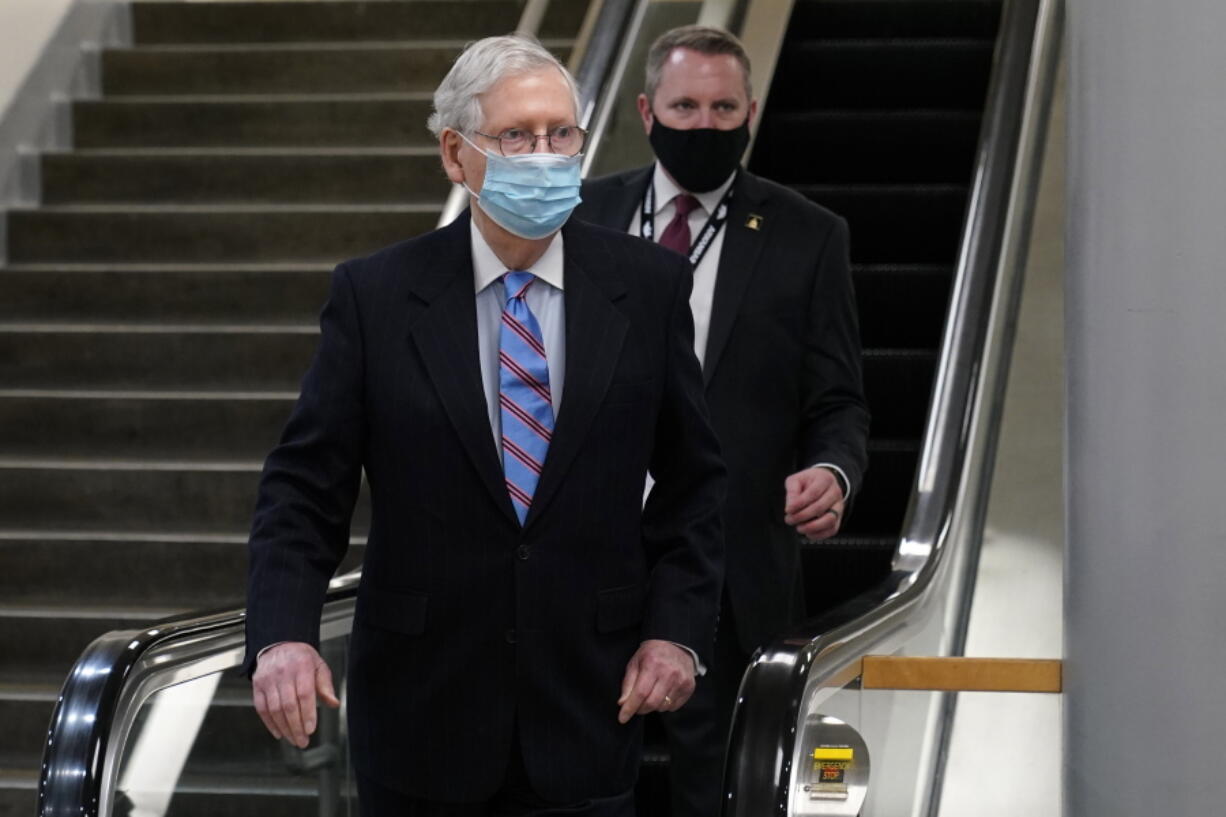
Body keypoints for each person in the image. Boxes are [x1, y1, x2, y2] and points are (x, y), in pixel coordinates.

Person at [243, 35, 726, 817]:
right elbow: (304, 488)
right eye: (515, 136)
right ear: (455, 155)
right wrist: (281, 635)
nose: (545, 154)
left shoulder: (649, 287)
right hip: (419, 719)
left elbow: (695, 480)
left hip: (591, 709)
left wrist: (677, 630)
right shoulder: (377, 296)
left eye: (560, 133)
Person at [574, 25, 870, 817]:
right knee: (579, 773)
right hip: (582, 557)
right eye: (685, 105)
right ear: (646, 109)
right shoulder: (578, 217)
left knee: (723, 787)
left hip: (732, 566)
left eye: (722, 106)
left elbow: (837, 399)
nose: (704, 123)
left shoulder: (808, 235)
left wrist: (833, 472)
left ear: (751, 109)